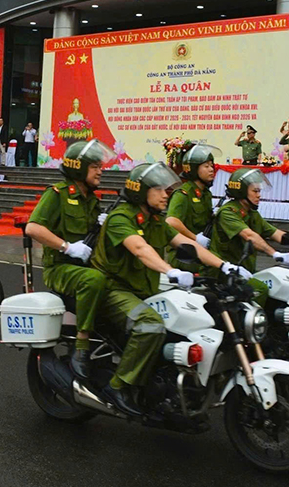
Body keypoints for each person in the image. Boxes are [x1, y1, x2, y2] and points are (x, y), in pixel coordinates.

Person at [91, 162, 248, 416]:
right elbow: (140, 249)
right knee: (150, 324)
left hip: (143, 289)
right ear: (141, 191)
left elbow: (185, 242)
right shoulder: (121, 217)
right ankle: (118, 386)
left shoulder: (155, 220)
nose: (167, 194)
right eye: (160, 189)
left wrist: (226, 266)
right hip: (114, 290)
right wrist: (171, 271)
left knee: (196, 311)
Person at [26, 139, 116, 378]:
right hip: (60, 268)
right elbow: (33, 228)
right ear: (78, 167)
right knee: (93, 280)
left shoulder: (92, 200)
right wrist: (67, 247)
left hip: (85, 267)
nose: (100, 170)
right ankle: (81, 348)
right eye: (95, 166)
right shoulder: (58, 194)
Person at [209, 168, 289, 307]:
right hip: (226, 273)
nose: (259, 195)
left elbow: (278, 234)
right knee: (260, 289)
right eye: (255, 191)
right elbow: (250, 236)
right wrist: (275, 254)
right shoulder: (228, 213)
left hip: (245, 271)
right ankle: (251, 327)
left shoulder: (252, 213)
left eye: (259, 191)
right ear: (242, 191)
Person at [166, 144, 217, 269]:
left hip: (201, 250)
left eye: (212, 166)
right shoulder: (183, 194)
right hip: (183, 253)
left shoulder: (206, 194)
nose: (211, 169)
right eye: (206, 166)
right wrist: (195, 238)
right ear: (193, 169)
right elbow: (171, 221)